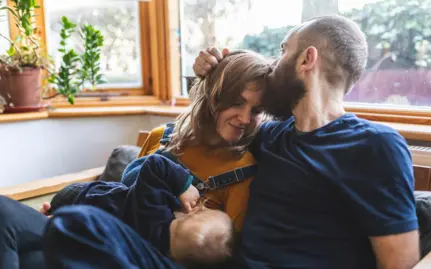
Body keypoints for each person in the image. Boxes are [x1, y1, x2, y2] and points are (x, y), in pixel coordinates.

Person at [0, 50, 269, 269]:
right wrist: (71, 205)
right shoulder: (162, 137)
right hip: (95, 226)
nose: (245, 119)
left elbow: (225, 256)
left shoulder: (241, 172)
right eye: (236, 102)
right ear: (213, 96)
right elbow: (126, 197)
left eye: (256, 110)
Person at [193, 15, 420, 269]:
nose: (272, 66)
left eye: (283, 50)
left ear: (306, 59)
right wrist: (213, 73)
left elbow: (400, 263)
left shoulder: (374, 145)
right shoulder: (268, 136)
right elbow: (206, 141)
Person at [43, 154, 235, 269]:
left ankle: (48, 215)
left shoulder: (153, 210)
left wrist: (184, 186)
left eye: (205, 209)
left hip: (83, 196)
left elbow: (154, 164)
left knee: (56, 213)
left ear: (192, 213)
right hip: (87, 220)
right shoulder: (158, 254)